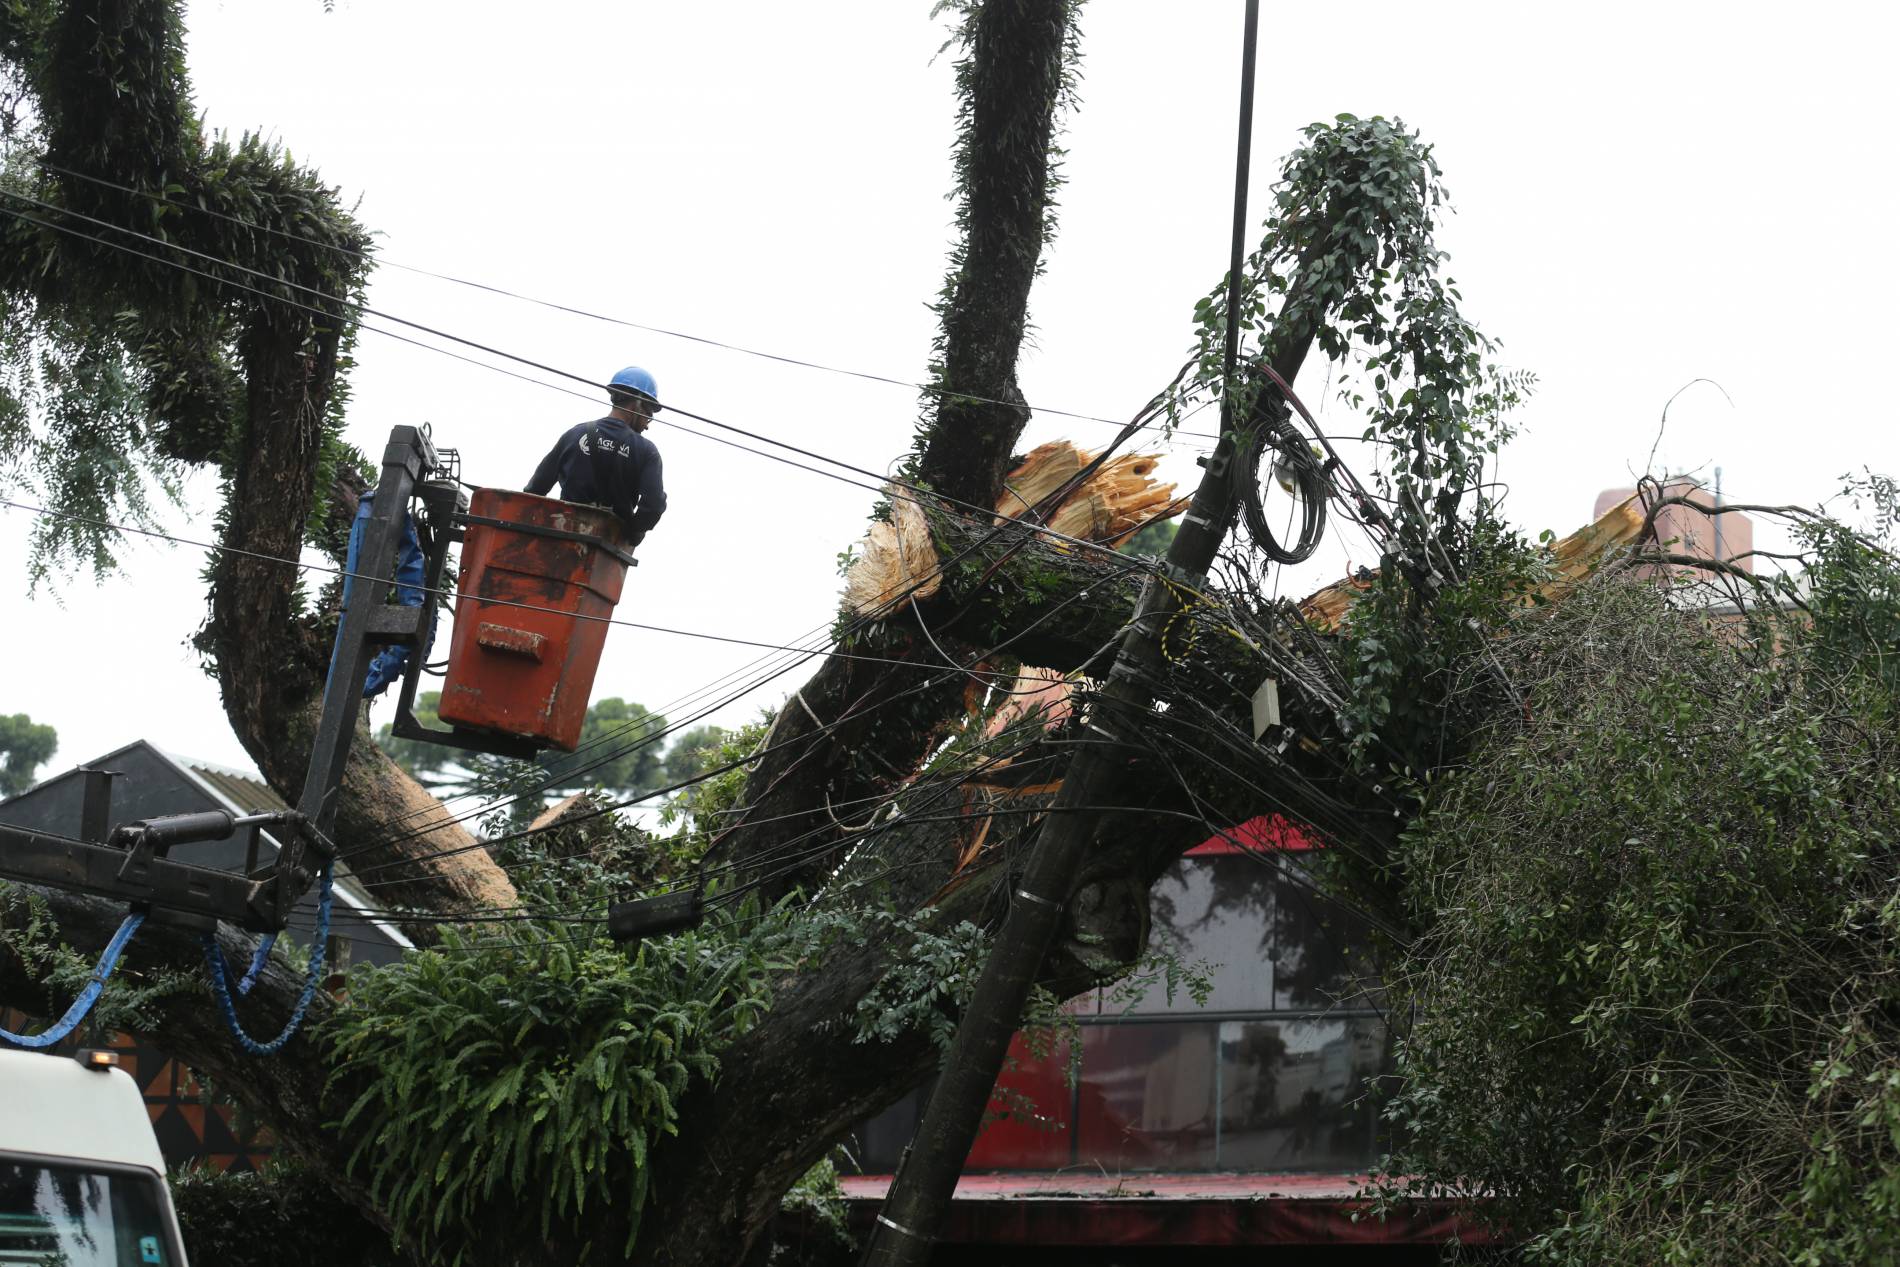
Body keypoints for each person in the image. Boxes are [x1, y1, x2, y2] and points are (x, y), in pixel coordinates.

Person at [526, 365, 668, 548]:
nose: (647, 425)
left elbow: (535, 489)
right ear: (637, 404)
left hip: (561, 541)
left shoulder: (575, 435)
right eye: (648, 415)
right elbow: (653, 506)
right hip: (607, 552)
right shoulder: (646, 451)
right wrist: (631, 533)